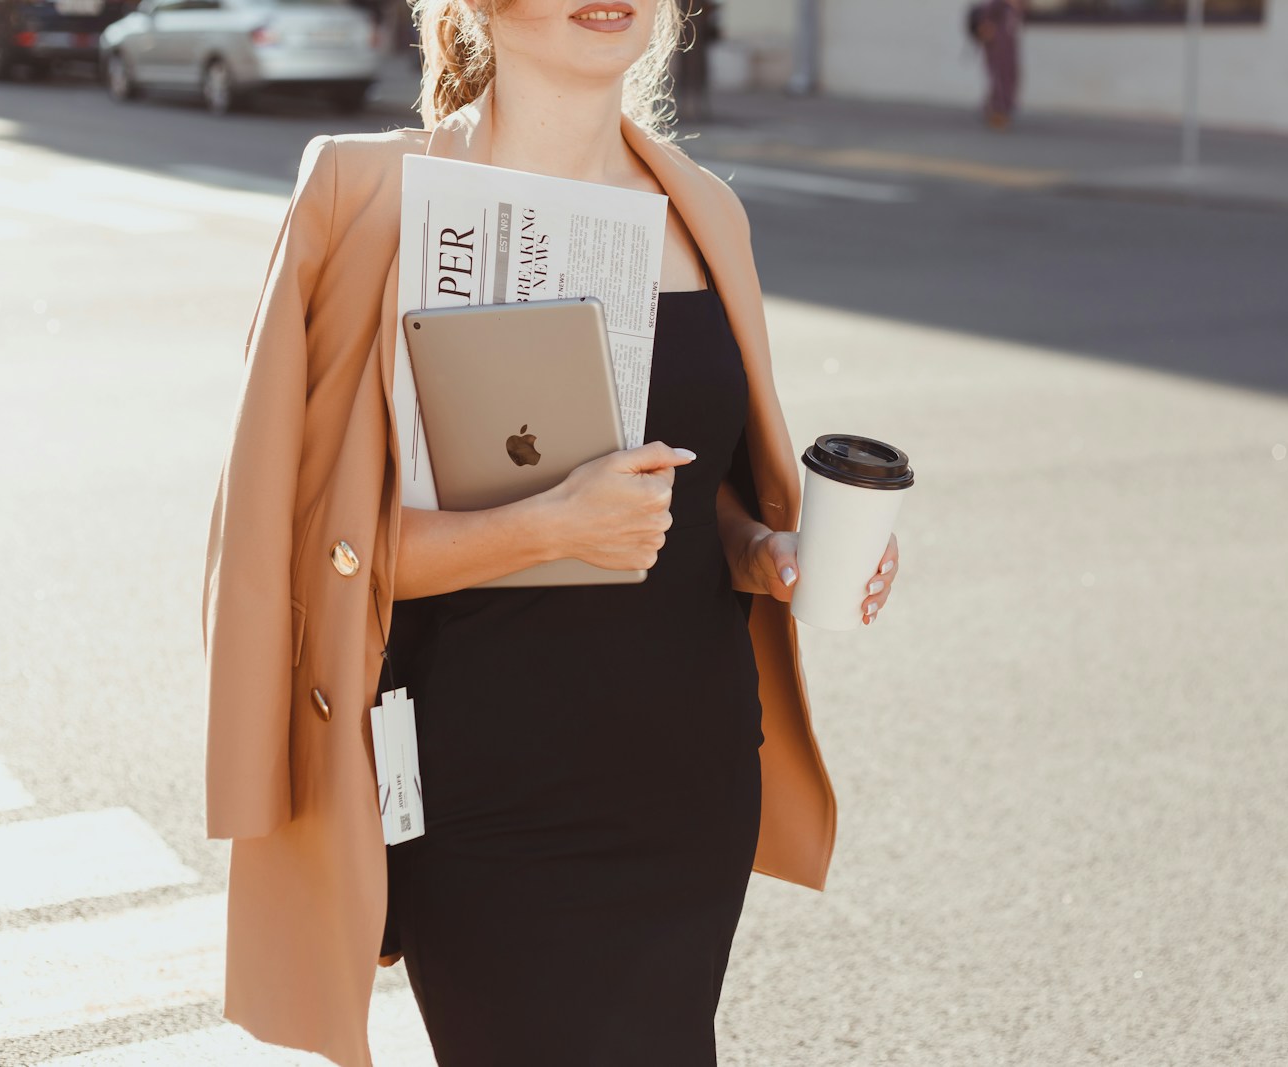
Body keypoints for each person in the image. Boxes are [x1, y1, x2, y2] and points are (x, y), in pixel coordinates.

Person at [200, 2, 904, 1065]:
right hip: (487, 787)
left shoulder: (701, 206)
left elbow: (696, 481)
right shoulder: (364, 196)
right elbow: (297, 555)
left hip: (688, 774)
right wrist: (542, 528)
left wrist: (765, 551)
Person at [967, 0, 1023, 129]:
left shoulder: (1012, 6)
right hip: (998, 47)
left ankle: (999, 109)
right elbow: (986, 21)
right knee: (1000, 77)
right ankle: (997, 111)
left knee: (1009, 76)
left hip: (1008, 47)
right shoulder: (998, 4)